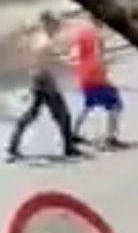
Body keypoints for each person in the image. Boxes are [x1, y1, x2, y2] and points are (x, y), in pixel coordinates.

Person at [7, 12, 82, 162]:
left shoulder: (39, 39)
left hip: (39, 80)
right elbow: (45, 63)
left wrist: (62, 59)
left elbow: (44, 58)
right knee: (63, 115)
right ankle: (69, 148)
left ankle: (13, 145)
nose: (58, 29)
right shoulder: (44, 42)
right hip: (44, 81)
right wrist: (64, 63)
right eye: (56, 25)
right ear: (49, 25)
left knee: (31, 115)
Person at [70, 14, 126, 149]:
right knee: (116, 104)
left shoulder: (82, 32)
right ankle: (111, 138)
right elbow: (97, 57)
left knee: (89, 104)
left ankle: (74, 133)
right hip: (95, 76)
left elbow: (74, 55)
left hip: (84, 75)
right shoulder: (97, 35)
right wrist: (104, 76)